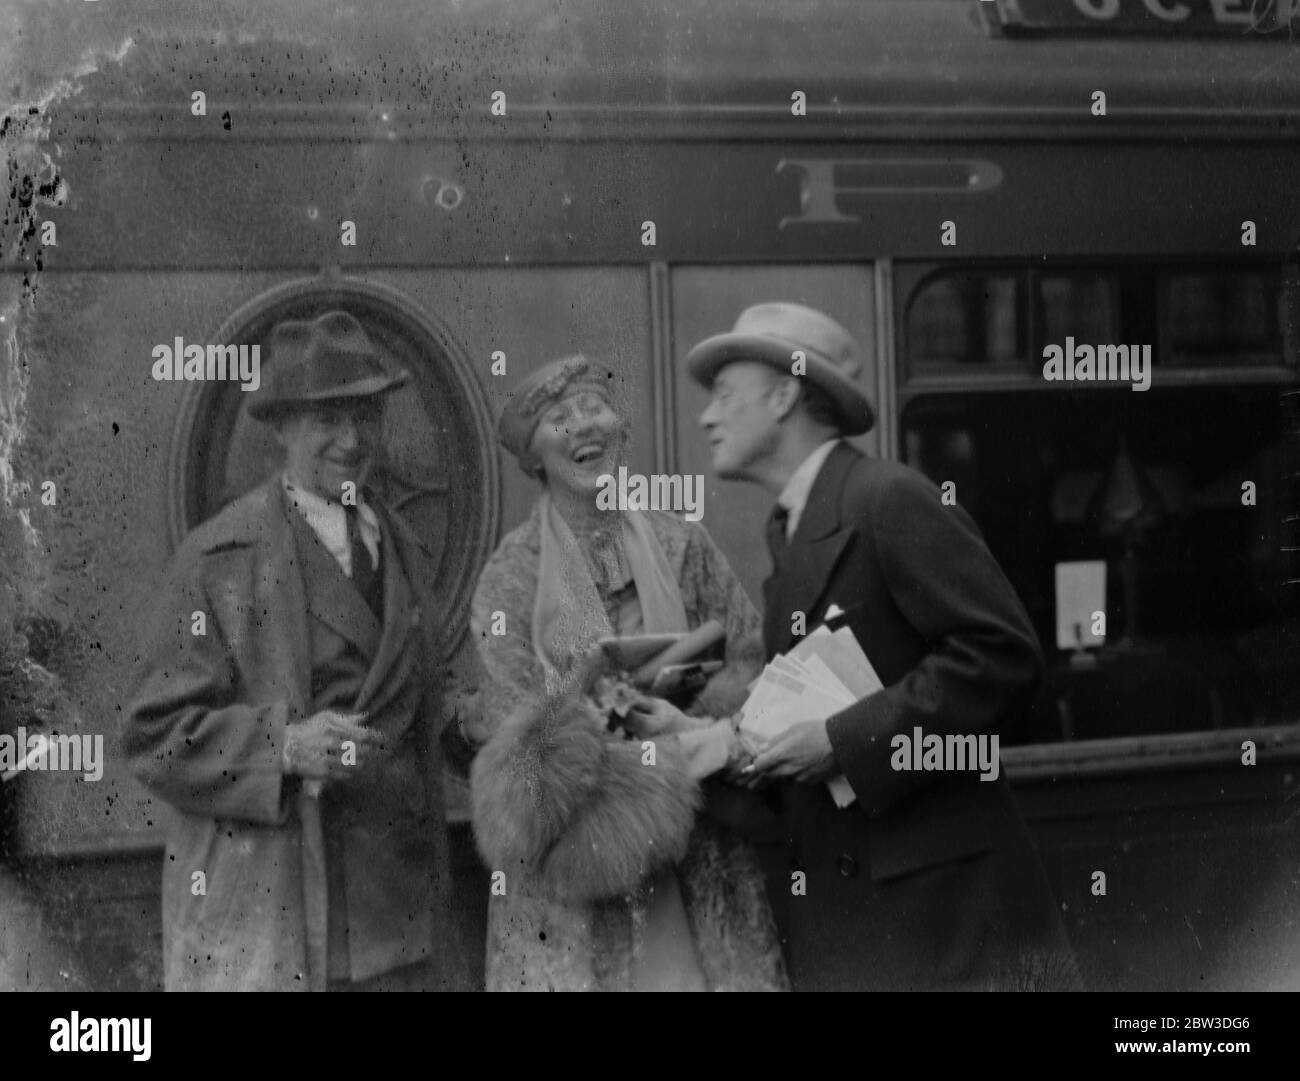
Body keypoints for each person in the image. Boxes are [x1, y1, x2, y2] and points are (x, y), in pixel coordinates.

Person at [684, 302, 1081, 991]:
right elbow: (813, 713)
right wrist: (705, 741)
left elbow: (1002, 654)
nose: (706, 416)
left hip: (943, 922)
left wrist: (842, 741)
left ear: (784, 394)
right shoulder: (802, 525)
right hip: (881, 917)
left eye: (724, 395)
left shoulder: (887, 499)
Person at [124, 310, 467, 992]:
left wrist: (473, 719)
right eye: (327, 419)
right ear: (280, 429)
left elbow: (419, 701)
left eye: (365, 416)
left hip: (396, 912)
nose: (351, 440)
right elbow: (151, 736)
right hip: (278, 907)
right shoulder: (219, 558)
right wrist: (282, 746)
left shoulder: (400, 543)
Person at [468, 355, 787, 991]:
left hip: (697, 859)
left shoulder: (680, 542)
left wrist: (690, 715)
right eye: (560, 419)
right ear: (535, 459)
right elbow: (515, 747)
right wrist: (607, 728)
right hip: (572, 884)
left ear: (621, 430)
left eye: (594, 409)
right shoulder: (512, 574)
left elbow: (753, 665)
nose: (584, 427)